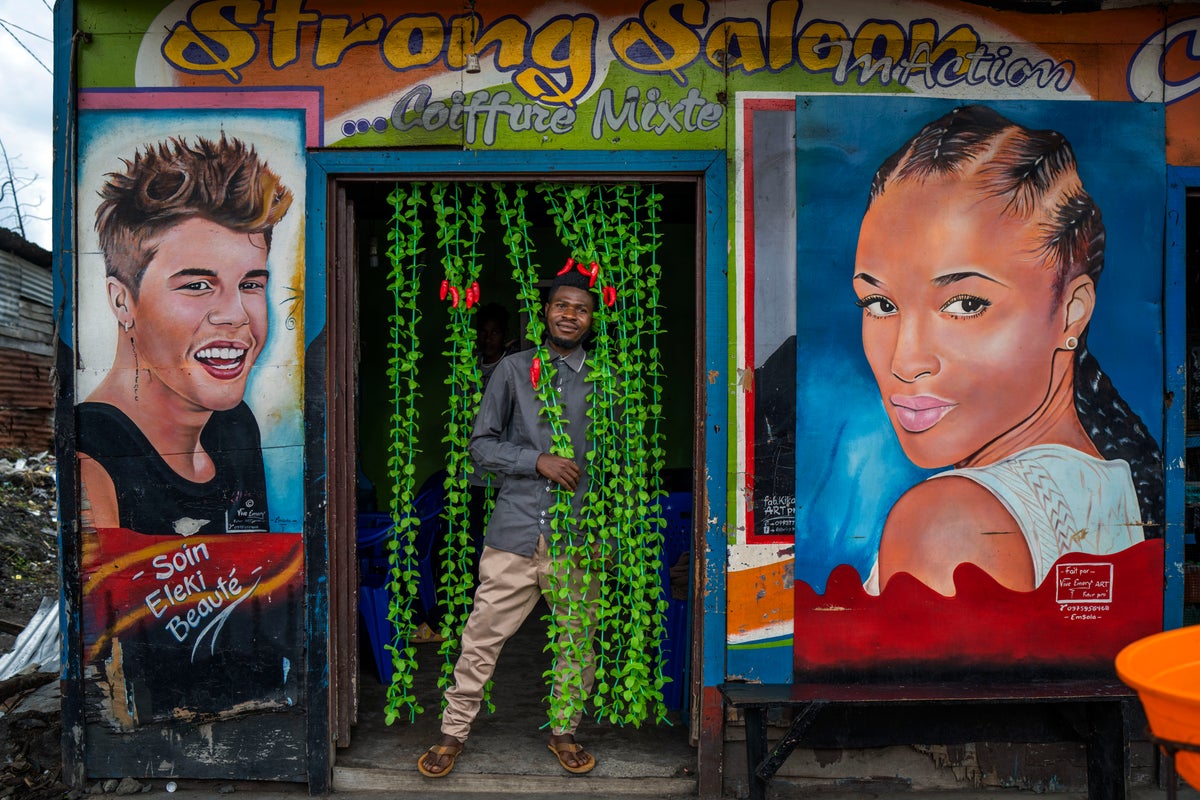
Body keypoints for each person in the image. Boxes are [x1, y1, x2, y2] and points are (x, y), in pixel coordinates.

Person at [854, 105, 1162, 596]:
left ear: (1072, 312)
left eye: (965, 303)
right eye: (879, 303)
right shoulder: (1110, 480)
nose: (904, 361)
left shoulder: (946, 522)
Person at [418, 270, 599, 778]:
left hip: (577, 534)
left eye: (580, 309)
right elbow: (481, 444)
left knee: (576, 642)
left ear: (591, 319)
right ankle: (453, 733)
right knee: (481, 639)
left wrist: (604, 532)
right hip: (516, 530)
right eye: (562, 305)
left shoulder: (605, 379)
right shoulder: (514, 371)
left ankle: (564, 731)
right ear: (546, 311)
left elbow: (616, 464)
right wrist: (536, 460)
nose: (569, 314)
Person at [78, 135, 293, 535]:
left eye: (250, 284)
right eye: (197, 285)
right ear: (122, 301)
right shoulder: (92, 458)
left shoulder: (235, 425)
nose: (236, 316)